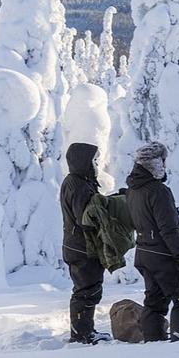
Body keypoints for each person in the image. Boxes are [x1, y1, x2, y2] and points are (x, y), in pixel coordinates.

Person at [125, 142, 179, 342]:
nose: (166, 165)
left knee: (155, 300)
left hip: (143, 252)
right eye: (163, 161)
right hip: (162, 255)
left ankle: (154, 341)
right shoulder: (158, 191)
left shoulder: (133, 190)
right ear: (156, 163)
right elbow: (168, 230)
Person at [60, 142, 110, 344]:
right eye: (94, 160)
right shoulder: (78, 184)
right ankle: (82, 334)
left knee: (88, 289)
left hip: (79, 245)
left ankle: (84, 331)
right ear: (84, 161)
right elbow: (86, 217)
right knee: (86, 290)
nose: (97, 164)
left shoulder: (80, 182)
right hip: (82, 247)